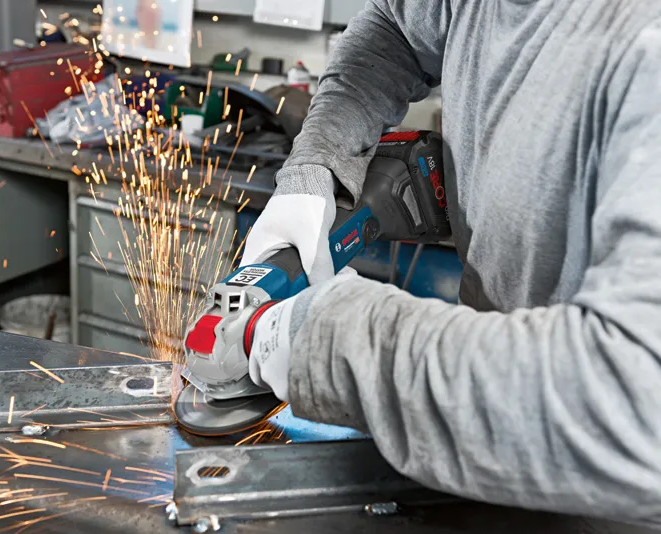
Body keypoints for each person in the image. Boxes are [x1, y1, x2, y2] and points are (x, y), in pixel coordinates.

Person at [241, 0, 661, 526]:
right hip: (486, 442)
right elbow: (396, 26)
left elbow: (635, 405)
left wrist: (331, 338)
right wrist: (319, 160)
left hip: (613, 496)